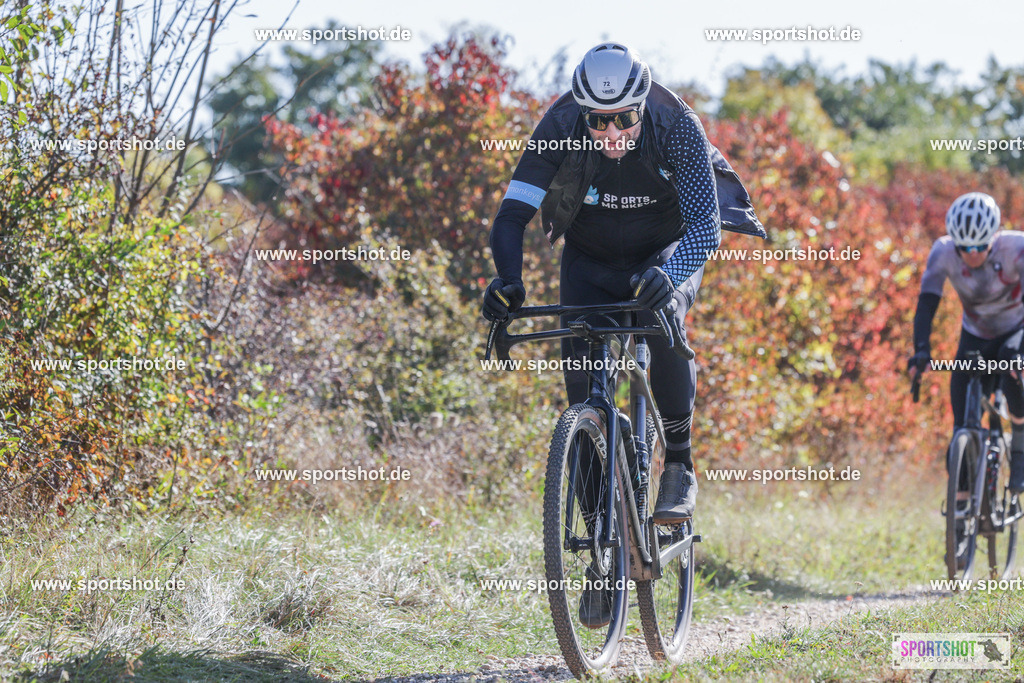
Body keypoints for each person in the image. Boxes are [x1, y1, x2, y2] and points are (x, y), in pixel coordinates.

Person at [481, 42, 764, 626]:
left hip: (666, 252)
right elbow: (511, 217)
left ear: (642, 105)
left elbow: (706, 227)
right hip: (589, 261)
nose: (611, 132)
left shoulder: (675, 122)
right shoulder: (559, 124)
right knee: (582, 398)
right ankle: (600, 556)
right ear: (581, 112)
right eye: (598, 121)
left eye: (624, 119)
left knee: (663, 320)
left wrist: (673, 274)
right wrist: (507, 281)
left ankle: (679, 462)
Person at [909, 191, 1024, 495]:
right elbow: (927, 304)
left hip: (1016, 329)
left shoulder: (1016, 249)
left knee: (1011, 366)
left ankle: (1020, 443)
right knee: (961, 422)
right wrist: (921, 350)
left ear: (993, 237)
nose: (972, 254)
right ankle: (961, 506)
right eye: (964, 248)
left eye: (979, 247)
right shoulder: (943, 252)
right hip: (975, 334)